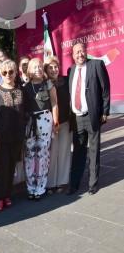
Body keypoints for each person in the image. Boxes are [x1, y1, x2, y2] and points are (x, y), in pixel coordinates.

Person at [67, 42, 110, 196]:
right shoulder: (70, 70)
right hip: (77, 118)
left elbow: (105, 89)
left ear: (86, 52)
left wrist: (105, 111)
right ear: (73, 55)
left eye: (82, 51)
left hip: (92, 116)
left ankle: (93, 184)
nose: (80, 54)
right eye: (77, 52)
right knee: (78, 152)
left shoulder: (96, 65)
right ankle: (74, 185)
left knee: (94, 151)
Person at [0, 60, 27, 212]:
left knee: (11, 167)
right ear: (0, 74)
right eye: (5, 72)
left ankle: (7, 195)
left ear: (16, 73)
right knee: (2, 168)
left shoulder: (20, 91)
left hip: (17, 136)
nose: (8, 75)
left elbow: (25, 112)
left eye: (11, 72)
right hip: (2, 137)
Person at [22, 58, 57, 200]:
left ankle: (40, 188)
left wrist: (56, 121)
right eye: (35, 67)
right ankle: (30, 188)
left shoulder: (48, 84)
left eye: (40, 66)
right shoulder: (25, 87)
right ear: (29, 70)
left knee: (43, 155)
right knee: (30, 155)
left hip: (45, 120)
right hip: (30, 122)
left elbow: (54, 103)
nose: (38, 69)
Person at [44, 56, 72, 192]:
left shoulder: (66, 81)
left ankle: (62, 181)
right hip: (50, 125)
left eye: (56, 67)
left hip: (65, 121)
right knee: (52, 153)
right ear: (46, 70)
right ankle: (50, 183)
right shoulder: (44, 83)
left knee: (64, 151)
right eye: (51, 67)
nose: (54, 69)